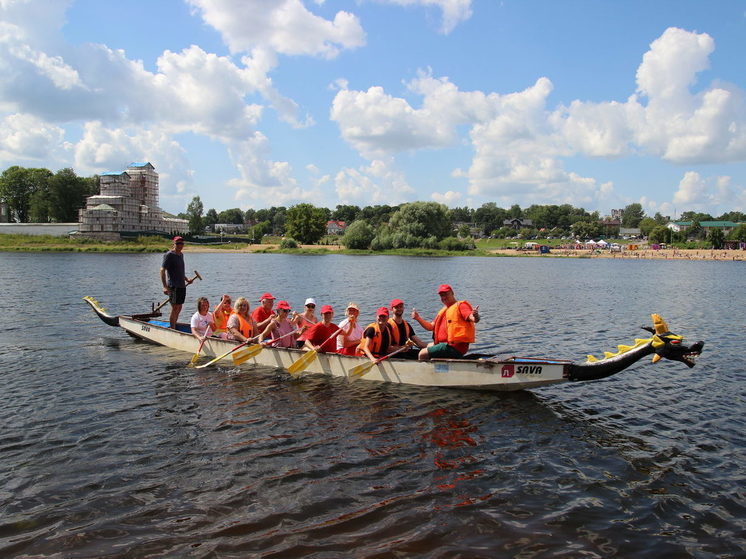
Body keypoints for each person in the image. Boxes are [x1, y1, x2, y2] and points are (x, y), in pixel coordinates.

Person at [411, 284, 480, 361]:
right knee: (425, 346)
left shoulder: (460, 306)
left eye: (446, 294)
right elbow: (430, 327)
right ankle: (438, 370)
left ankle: (424, 372)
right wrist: (418, 318)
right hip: (445, 345)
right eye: (441, 295)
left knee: (422, 353)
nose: (443, 297)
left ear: (452, 293)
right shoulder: (444, 310)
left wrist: (475, 316)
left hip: (454, 347)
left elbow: (472, 318)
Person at [160, 236, 194, 329]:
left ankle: (174, 325)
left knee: (179, 307)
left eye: (181, 243)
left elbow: (180, 271)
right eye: (178, 243)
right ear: (174, 244)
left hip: (181, 286)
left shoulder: (181, 255)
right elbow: (162, 270)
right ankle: (173, 329)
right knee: (175, 307)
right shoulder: (169, 255)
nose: (180, 245)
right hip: (173, 286)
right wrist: (165, 286)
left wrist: (186, 279)